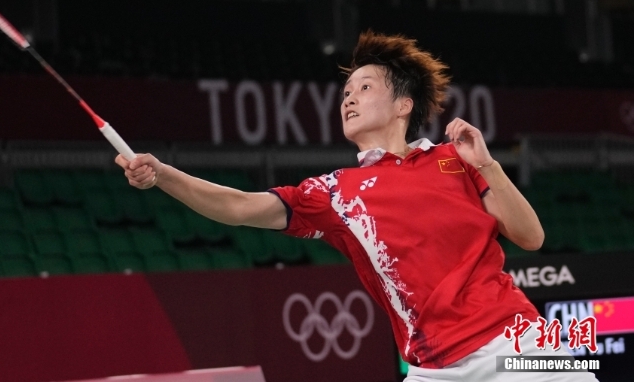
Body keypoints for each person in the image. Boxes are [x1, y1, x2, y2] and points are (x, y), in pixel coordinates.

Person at [115, 31, 598, 381]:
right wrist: (164, 175)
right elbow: (240, 206)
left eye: (364, 88)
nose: (348, 99)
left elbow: (531, 237)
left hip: (522, 343)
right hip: (436, 367)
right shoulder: (336, 193)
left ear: (404, 105)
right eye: (345, 92)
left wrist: (488, 164)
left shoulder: (456, 159)